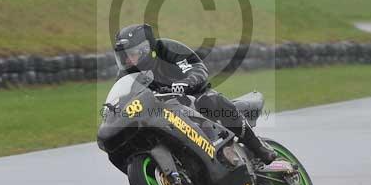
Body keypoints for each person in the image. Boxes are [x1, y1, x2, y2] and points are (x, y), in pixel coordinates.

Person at [113, 23, 277, 164]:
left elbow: (197, 69)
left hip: (193, 96)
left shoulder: (168, 49)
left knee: (209, 101)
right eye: (123, 56)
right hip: (165, 110)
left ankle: (258, 147)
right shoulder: (126, 75)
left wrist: (184, 83)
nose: (127, 60)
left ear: (145, 49)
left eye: (131, 54)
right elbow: (122, 96)